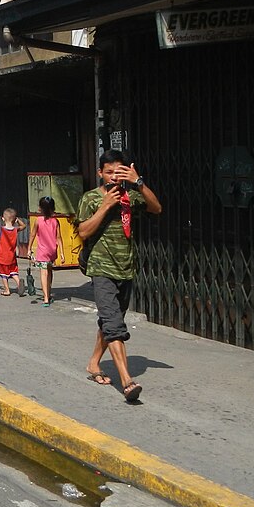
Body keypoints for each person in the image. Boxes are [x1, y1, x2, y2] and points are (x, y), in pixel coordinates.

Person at [77, 149, 162, 403]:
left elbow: (156, 208)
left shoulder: (131, 197)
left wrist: (138, 182)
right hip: (101, 267)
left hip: (126, 267)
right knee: (114, 325)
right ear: (100, 173)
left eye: (119, 172)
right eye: (109, 172)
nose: (114, 177)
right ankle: (127, 381)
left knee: (111, 320)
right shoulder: (91, 198)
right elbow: (83, 231)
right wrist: (104, 206)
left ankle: (94, 363)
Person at [0, 207, 26, 296]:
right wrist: (18, 220)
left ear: (3, 218)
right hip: (12, 256)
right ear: (14, 219)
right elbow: (24, 226)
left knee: (3, 274)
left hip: (3, 257)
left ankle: (7, 290)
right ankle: (19, 283)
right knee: (13, 272)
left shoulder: (1, 229)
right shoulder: (15, 229)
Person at [31, 196, 60, 307]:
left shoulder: (38, 221)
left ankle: (46, 298)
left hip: (43, 252)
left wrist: (29, 248)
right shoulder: (56, 221)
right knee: (49, 271)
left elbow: (32, 235)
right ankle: (49, 291)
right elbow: (59, 238)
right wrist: (61, 253)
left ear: (41, 208)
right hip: (52, 251)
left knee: (44, 273)